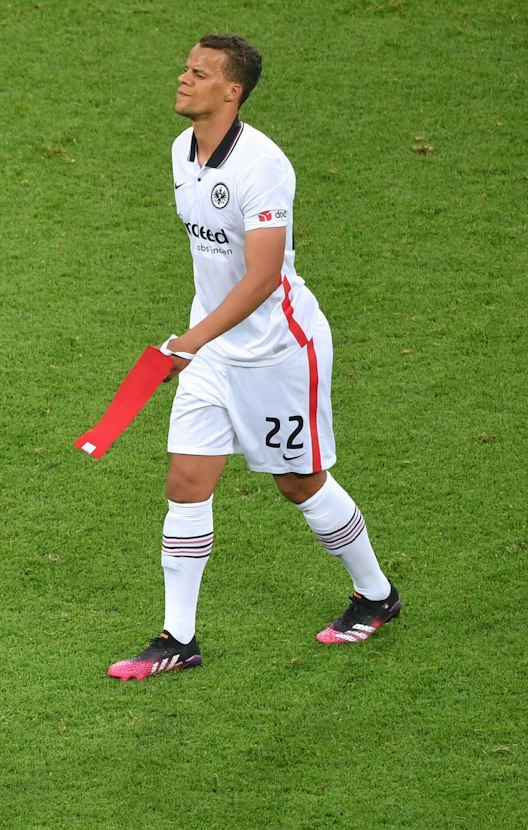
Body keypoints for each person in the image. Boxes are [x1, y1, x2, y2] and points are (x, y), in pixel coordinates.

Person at [109, 35, 400, 681]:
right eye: (185, 66)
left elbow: (264, 275)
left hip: (277, 353)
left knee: (298, 483)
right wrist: (202, 339)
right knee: (187, 479)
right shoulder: (182, 152)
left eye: (200, 72)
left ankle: (377, 594)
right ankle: (177, 637)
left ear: (231, 91)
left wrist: (193, 338)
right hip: (213, 351)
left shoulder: (263, 166)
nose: (183, 78)